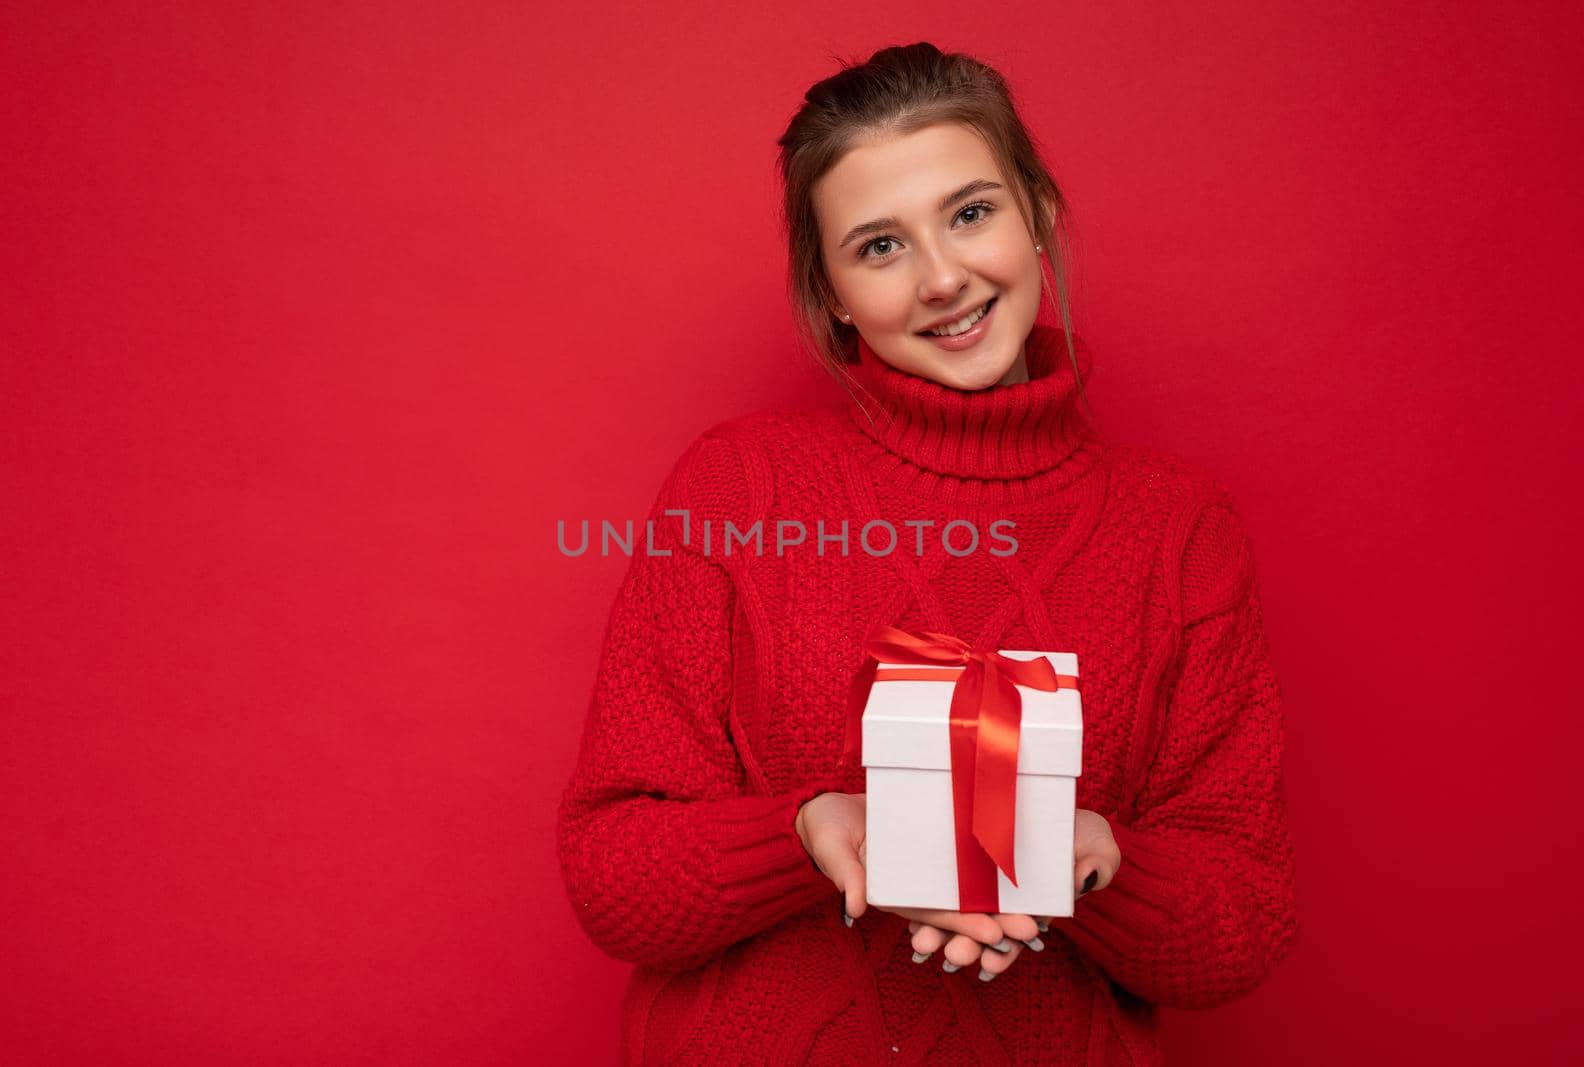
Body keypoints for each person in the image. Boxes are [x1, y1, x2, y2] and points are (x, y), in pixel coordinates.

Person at [556, 41, 1298, 1065]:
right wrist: (809, 831)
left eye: (969, 212)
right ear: (829, 293)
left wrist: (1090, 862)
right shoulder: (738, 488)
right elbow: (612, 874)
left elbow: (1243, 924)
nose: (944, 277)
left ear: (1035, 209)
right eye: (878, 245)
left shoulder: (1180, 528)